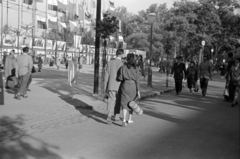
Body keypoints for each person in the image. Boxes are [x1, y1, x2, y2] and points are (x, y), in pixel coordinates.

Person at [117, 53, 141, 127]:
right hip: (133, 86)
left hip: (125, 85)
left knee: (124, 103)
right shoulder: (136, 68)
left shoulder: (123, 67)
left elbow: (120, 78)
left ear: (127, 59)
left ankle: (124, 120)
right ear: (133, 59)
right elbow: (137, 80)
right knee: (132, 103)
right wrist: (138, 91)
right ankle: (129, 119)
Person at [104, 49, 124, 124]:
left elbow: (107, 74)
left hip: (111, 85)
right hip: (119, 85)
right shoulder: (122, 63)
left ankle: (109, 116)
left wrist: (105, 84)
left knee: (111, 100)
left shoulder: (110, 62)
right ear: (122, 54)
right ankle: (116, 116)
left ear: (116, 54)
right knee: (118, 101)